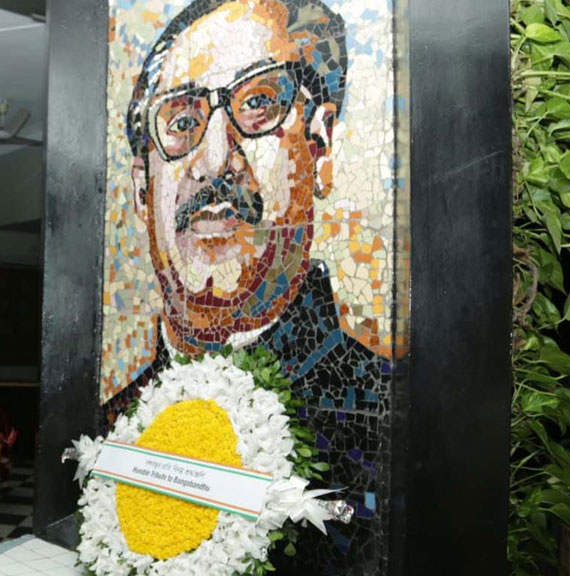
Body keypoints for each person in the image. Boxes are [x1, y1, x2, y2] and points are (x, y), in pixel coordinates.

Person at [108, 0, 387, 420]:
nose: (214, 160)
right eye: (182, 123)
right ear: (142, 189)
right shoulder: (109, 433)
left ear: (320, 149)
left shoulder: (382, 415)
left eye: (258, 102)